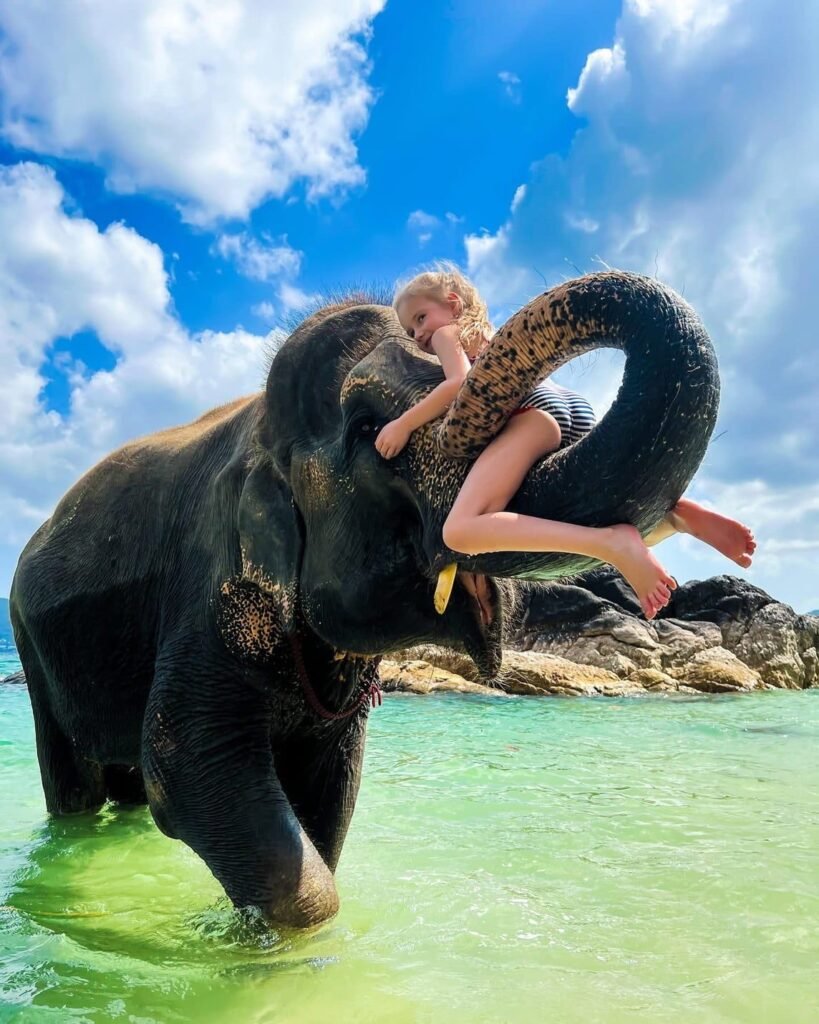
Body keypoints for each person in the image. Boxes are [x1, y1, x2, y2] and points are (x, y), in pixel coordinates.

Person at [374, 264, 756, 620]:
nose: (418, 335)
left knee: (460, 530)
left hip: (533, 417)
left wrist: (403, 425)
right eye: (409, 331)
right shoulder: (489, 333)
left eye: (420, 318)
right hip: (569, 407)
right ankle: (675, 515)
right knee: (585, 508)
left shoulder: (449, 334)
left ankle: (608, 543)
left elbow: (457, 383)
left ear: (453, 304)